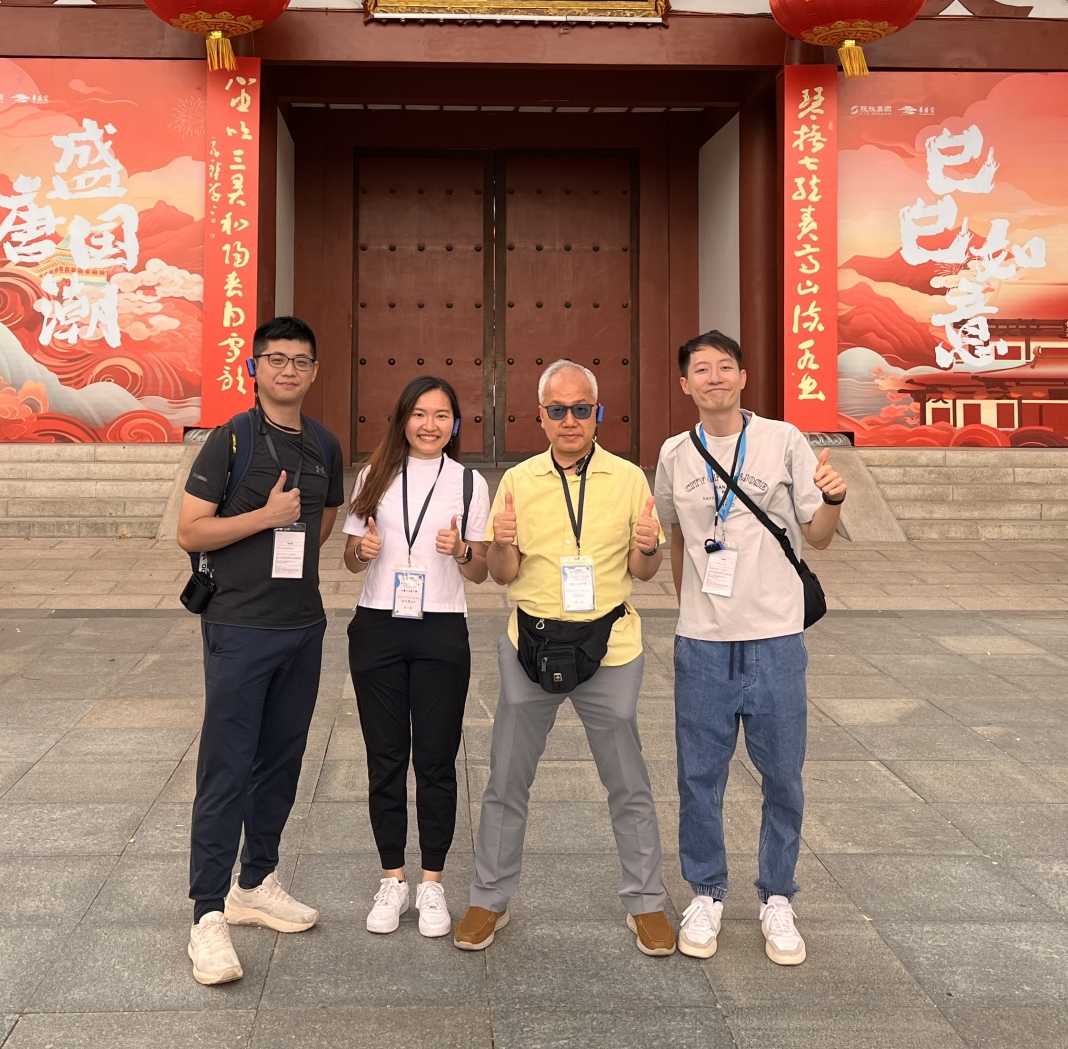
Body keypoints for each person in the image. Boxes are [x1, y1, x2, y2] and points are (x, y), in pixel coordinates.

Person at [455, 359, 675, 957]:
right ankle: (490, 896)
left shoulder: (628, 479)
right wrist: (502, 544)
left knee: (628, 780)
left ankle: (646, 901)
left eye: (581, 409)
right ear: (541, 416)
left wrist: (648, 549)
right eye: (558, 410)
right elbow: (503, 574)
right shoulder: (519, 481)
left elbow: (644, 570)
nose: (570, 420)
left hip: (611, 646)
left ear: (598, 413)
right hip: (530, 642)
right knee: (506, 777)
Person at [653, 331, 846, 966]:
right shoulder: (675, 453)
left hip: (776, 637)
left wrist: (834, 498)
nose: (713, 377)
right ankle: (706, 892)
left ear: (743, 377)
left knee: (783, 774)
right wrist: (689, 608)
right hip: (703, 643)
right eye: (700, 369)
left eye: (724, 367)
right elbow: (677, 536)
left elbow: (819, 536)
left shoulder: (782, 440)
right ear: (684, 384)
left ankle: (777, 895)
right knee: (698, 776)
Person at [175, 315, 345, 987]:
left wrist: (287, 539)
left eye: (300, 361)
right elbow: (191, 531)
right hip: (239, 628)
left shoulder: (325, 444)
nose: (288, 370)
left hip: (301, 626)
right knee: (227, 766)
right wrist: (266, 519)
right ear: (254, 368)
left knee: (281, 762)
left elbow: (323, 521)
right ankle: (207, 914)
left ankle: (256, 882)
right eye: (276, 359)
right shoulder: (231, 440)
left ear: (314, 371)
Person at [340, 375, 490, 938]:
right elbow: (350, 558)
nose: (430, 425)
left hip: (442, 627)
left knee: (435, 759)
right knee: (384, 758)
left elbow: (481, 571)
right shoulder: (373, 474)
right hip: (378, 624)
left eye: (442, 415)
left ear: (455, 424)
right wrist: (363, 549)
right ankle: (392, 879)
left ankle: (432, 883)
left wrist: (464, 550)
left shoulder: (470, 483)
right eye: (420, 414)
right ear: (403, 418)